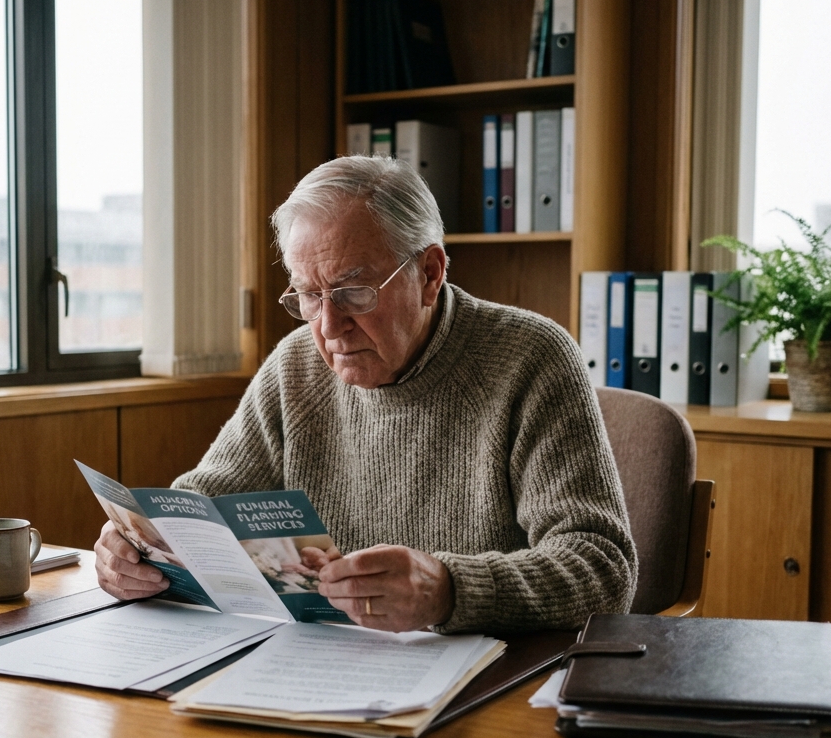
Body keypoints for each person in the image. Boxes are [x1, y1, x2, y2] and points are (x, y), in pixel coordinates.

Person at [95, 155, 636, 634]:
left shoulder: (531, 358)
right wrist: (138, 551)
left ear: (429, 273)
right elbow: (199, 509)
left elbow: (603, 567)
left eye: (353, 291)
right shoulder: (296, 365)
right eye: (309, 295)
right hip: (320, 663)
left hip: (490, 674)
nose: (329, 326)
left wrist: (450, 589)